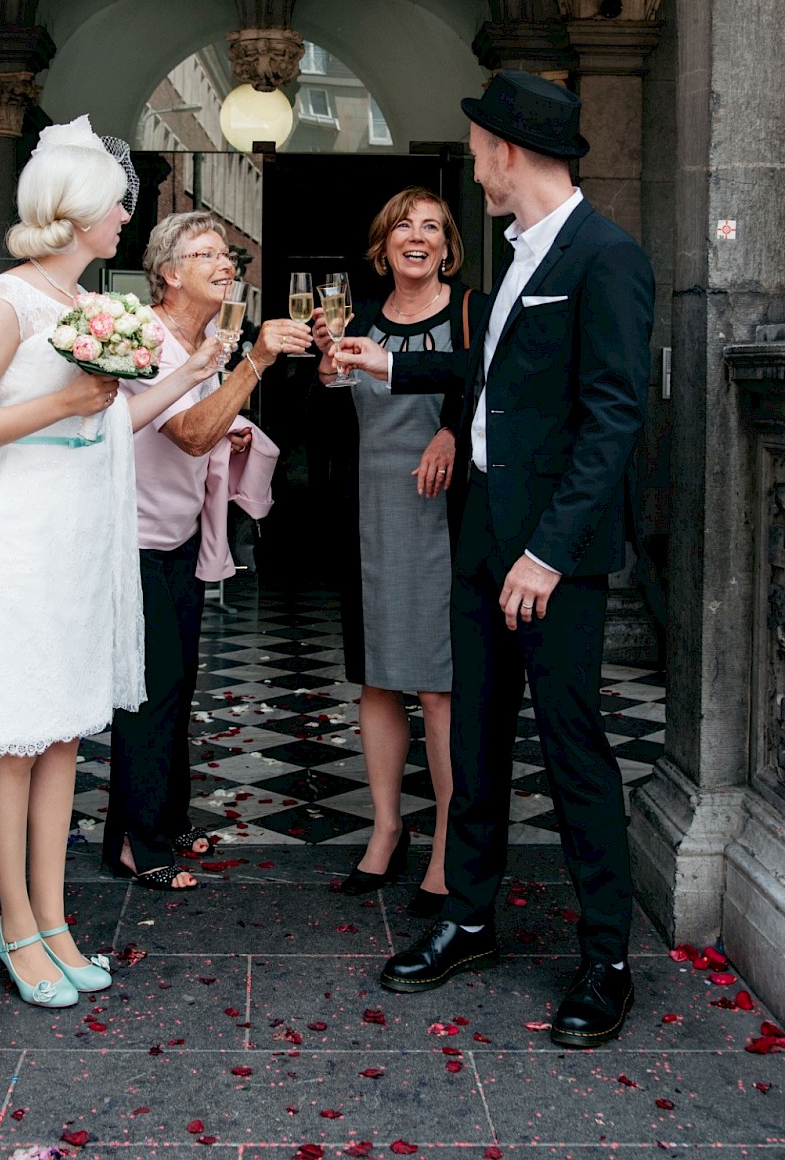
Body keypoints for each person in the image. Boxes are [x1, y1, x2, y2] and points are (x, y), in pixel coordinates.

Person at [344, 71, 654, 1048]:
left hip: (549, 562)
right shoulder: (519, 256)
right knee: (473, 742)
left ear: (508, 151)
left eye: (477, 146)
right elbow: (486, 377)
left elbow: (612, 421)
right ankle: (469, 919)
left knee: (572, 755)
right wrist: (389, 363)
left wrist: (549, 554)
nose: (471, 161)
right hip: (479, 542)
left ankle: (604, 960)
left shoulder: (606, 257)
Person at [0, 116, 221, 1004]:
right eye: (116, 204)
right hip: (18, 537)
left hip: (75, 541)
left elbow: (108, 423)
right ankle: (14, 924)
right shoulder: (5, 299)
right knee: (14, 739)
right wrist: (61, 405)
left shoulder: (87, 308)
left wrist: (184, 374)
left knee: (60, 735)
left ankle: (53, 920)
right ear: (79, 211)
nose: (128, 215)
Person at [101, 212, 309, 889]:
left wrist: (235, 425)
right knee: (149, 690)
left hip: (178, 537)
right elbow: (188, 433)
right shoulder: (142, 338)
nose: (226, 265)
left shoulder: (209, 342)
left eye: (229, 255)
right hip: (130, 541)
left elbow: (207, 426)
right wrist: (256, 364)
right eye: (207, 254)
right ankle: (135, 842)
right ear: (167, 272)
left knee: (178, 682)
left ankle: (162, 816)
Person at [312, 188, 485, 913]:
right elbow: (328, 413)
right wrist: (324, 375)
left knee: (439, 688)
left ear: (448, 247)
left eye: (433, 228)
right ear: (382, 247)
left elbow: (490, 384)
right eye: (403, 227)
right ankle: (386, 830)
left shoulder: (471, 311)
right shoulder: (357, 321)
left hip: (443, 515)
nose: (418, 237)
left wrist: (451, 430)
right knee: (377, 680)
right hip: (370, 514)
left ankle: (448, 840)